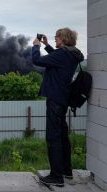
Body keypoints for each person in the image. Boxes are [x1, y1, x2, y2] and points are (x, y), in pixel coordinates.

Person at [32, 28, 84, 187]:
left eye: (57, 37)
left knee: (53, 137)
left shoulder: (63, 54)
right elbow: (57, 58)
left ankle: (56, 176)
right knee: (62, 136)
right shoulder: (71, 54)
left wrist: (36, 46)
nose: (55, 39)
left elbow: (37, 61)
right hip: (62, 98)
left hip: (55, 99)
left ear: (63, 39)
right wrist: (47, 46)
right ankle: (66, 171)